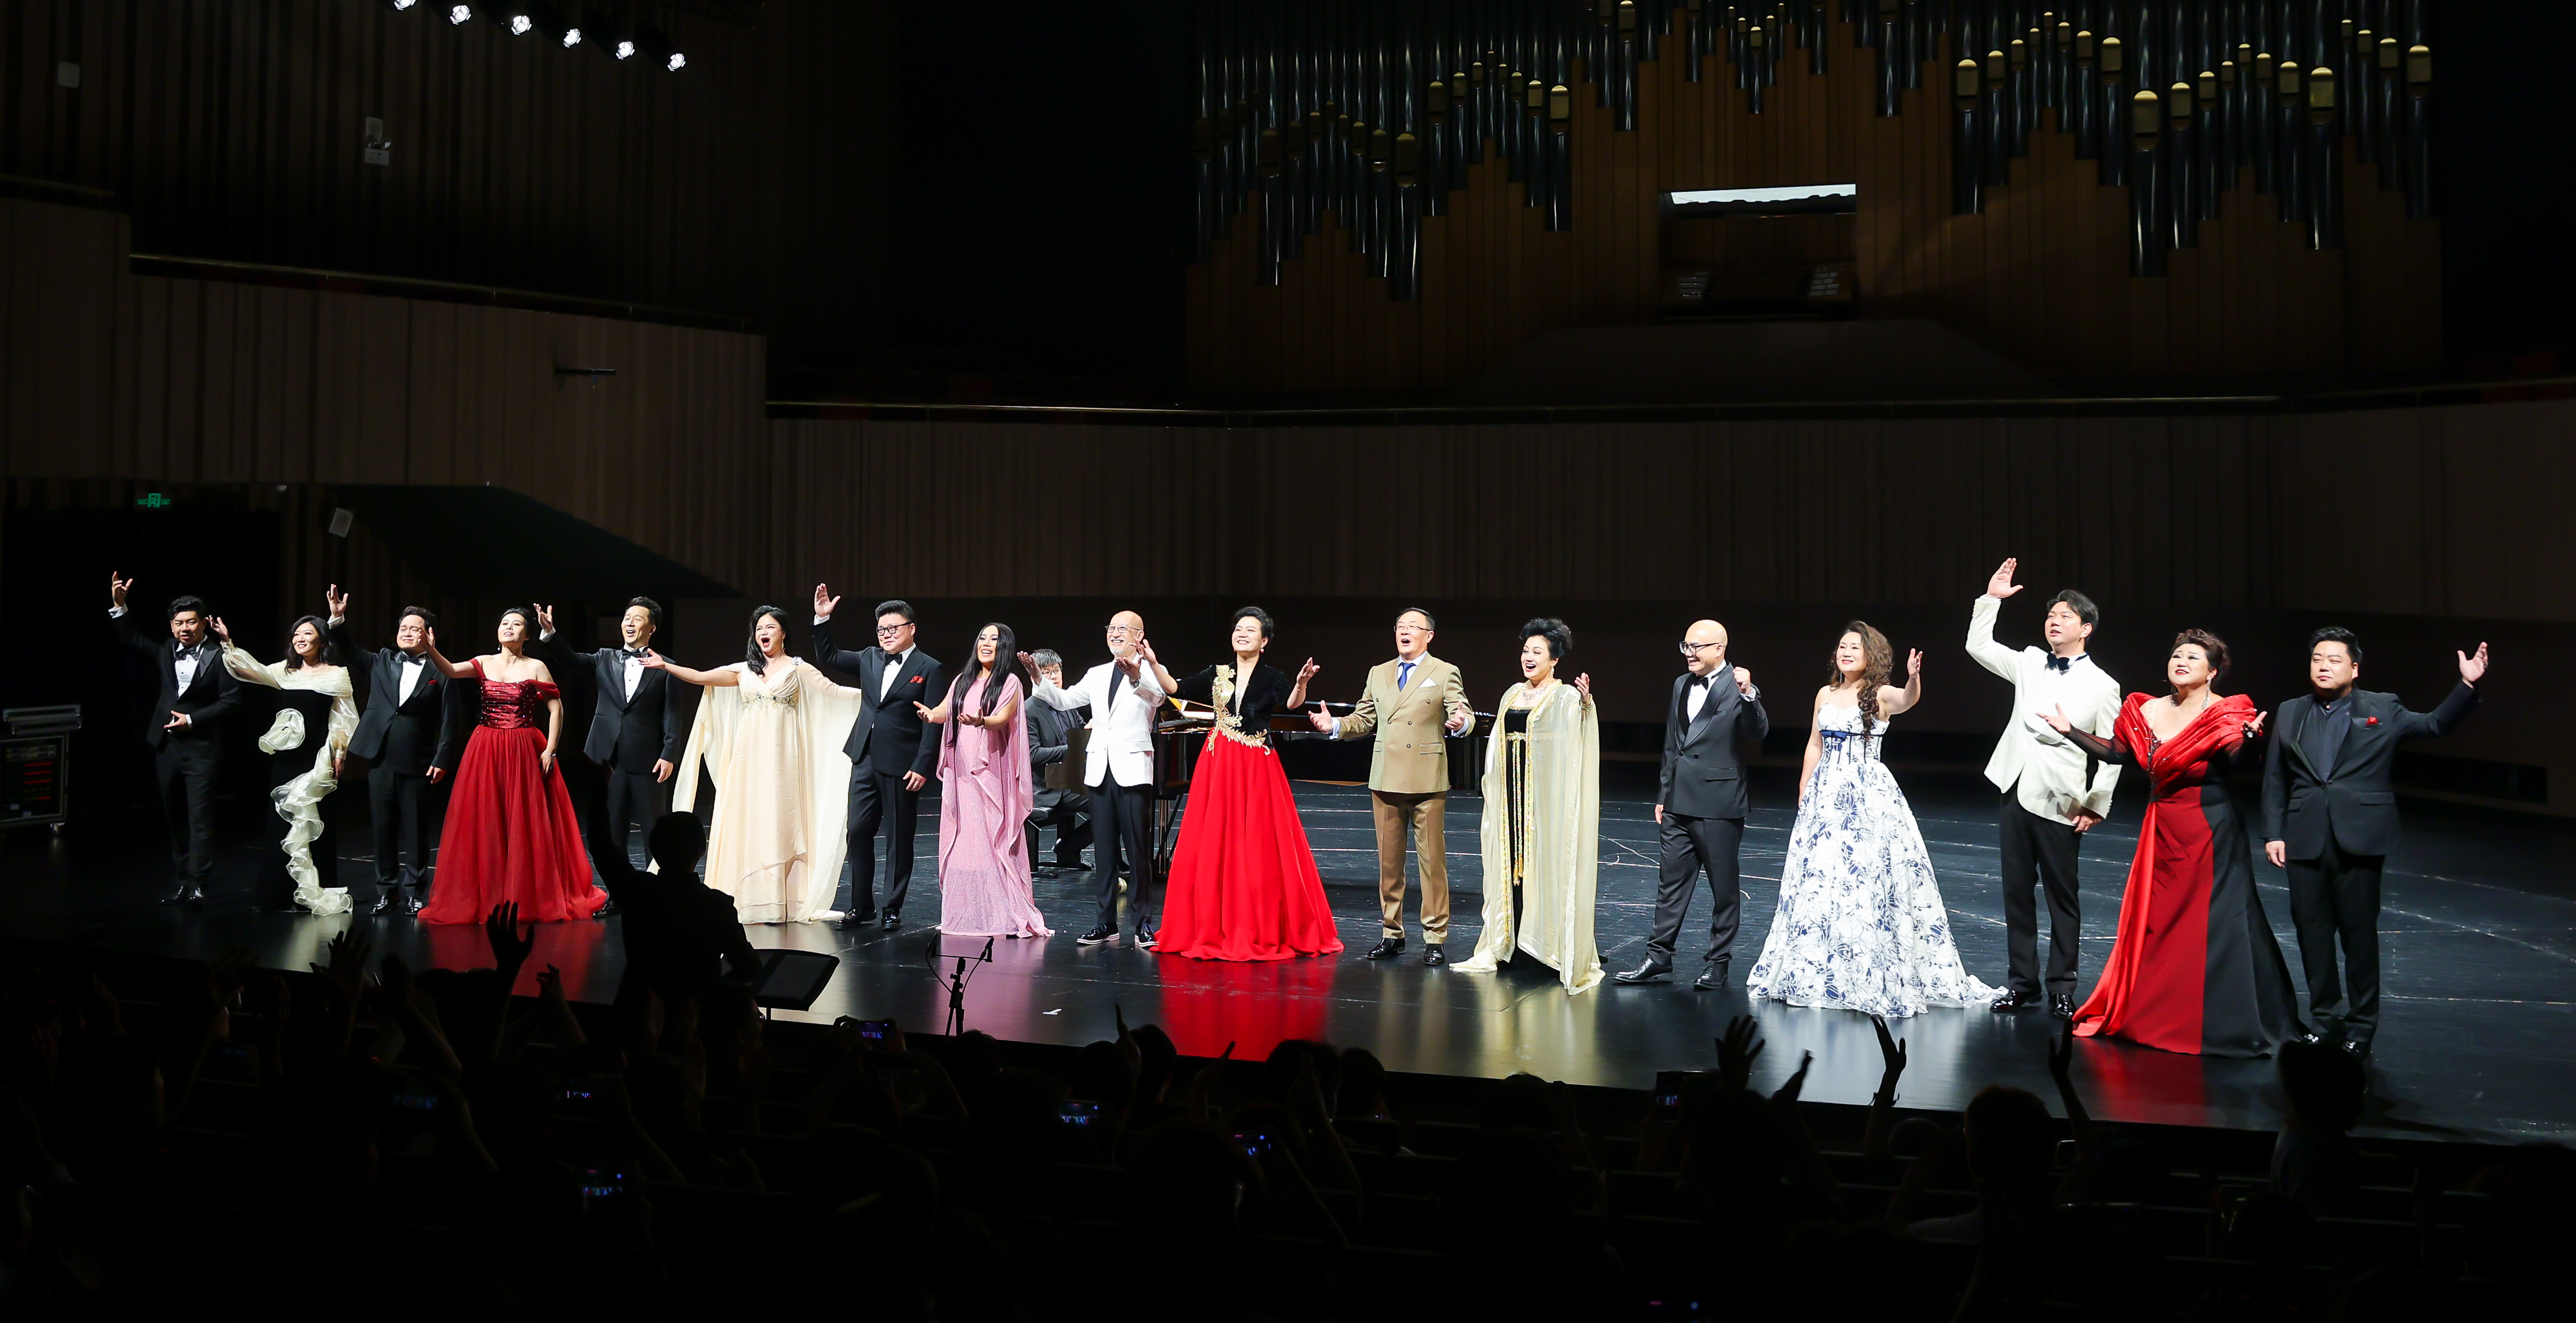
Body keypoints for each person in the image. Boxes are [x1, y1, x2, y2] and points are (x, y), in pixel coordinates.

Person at [2037, 630, 2302, 1056]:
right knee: (2157, 922)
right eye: (2177, 655)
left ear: (2211, 672)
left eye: (2193, 658)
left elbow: (2238, 756)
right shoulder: (2144, 708)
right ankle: (2155, 1009)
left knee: (2216, 923)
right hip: (2161, 827)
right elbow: (2117, 752)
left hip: (2210, 828)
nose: (2181, 661)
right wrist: (2070, 731)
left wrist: (2252, 741)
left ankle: (2224, 1018)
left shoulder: (2226, 711)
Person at [1747, 623, 1994, 1016]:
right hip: (1825, 794)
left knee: (1864, 876)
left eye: (1855, 648)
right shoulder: (1825, 694)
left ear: (1870, 656)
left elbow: (1907, 700)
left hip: (1866, 795)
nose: (1846, 652)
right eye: (1842, 646)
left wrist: (1914, 679)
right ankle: (1816, 967)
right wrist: (1805, 785)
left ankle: (1863, 966)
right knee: (1822, 877)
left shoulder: (1879, 693)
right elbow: (1814, 743)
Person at [2261, 628, 2487, 1058]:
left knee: (2358, 936)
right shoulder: (2291, 711)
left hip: (2359, 838)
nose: (2323, 666)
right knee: (2311, 934)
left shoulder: (2382, 707)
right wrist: (2273, 832)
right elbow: (2275, 777)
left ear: (2354, 668)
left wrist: (2466, 685)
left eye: (2333, 660)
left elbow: (2434, 724)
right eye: (2316, 659)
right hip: (2304, 837)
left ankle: (2361, 1027)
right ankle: (2324, 1019)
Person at [1965, 558, 2120, 1017]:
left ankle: (2061, 986)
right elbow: (1978, 646)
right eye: (2051, 615)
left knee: (2061, 896)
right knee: (2016, 892)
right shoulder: (2031, 662)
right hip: (2014, 787)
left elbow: (2111, 749)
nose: (2054, 621)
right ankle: (2022, 983)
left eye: (2065, 616)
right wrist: (1991, 599)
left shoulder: (2103, 685)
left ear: (2085, 628)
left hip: (2061, 799)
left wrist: (2096, 803)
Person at [1143, 607, 1341, 961]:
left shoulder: (1273, 677)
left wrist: (1302, 684)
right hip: (1219, 761)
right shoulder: (1217, 672)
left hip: (1255, 764)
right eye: (1238, 628)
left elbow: (1291, 704)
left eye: (1251, 630)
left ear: (1264, 641)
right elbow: (1177, 688)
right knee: (1214, 834)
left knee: (1258, 838)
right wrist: (1155, 665)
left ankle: (1255, 922)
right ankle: (1210, 923)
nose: (1242, 633)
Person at [658, 606, 870, 924]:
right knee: (750, 817)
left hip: (784, 758)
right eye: (759, 629)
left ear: (783, 633)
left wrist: (880, 697)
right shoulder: (743, 671)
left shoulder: (798, 668)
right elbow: (701, 677)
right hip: (749, 759)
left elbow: (834, 692)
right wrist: (666, 666)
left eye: (770, 627)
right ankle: (749, 897)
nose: (763, 633)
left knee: (781, 817)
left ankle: (784, 899)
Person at [414, 607, 602, 923]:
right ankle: (490, 892)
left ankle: (526, 894)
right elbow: (451, 671)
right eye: (504, 623)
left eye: (516, 624)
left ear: (527, 635)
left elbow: (556, 708)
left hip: (524, 747)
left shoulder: (536, 666)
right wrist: (431, 649)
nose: (509, 628)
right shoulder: (483, 662)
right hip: (486, 747)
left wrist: (551, 750)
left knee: (524, 819)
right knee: (489, 816)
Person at [1310, 608, 1475, 966]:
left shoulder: (1444, 671)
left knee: (1432, 863)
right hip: (1386, 778)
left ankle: (1435, 937)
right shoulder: (1379, 672)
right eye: (1400, 626)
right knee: (1389, 863)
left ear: (1428, 636)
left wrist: (1461, 722)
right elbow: (1364, 718)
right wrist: (1334, 725)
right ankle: (1392, 932)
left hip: (1426, 778)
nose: (1405, 632)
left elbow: (1462, 710)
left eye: (1413, 627)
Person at [1455, 619, 1601, 994]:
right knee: (1509, 867)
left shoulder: (1565, 696)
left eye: (1537, 652)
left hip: (1543, 801)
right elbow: (1497, 739)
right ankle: (1509, 942)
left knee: (1544, 863)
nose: (1528, 657)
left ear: (1554, 659)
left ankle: (1545, 947)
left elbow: (1576, 740)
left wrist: (1586, 705)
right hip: (1510, 799)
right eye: (1525, 651)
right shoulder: (1512, 693)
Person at [1620, 619, 1767, 988]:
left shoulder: (1738, 684)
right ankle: (1658, 956)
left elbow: (1757, 732)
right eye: (1685, 646)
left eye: (1696, 647)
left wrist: (1749, 694)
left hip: (1719, 802)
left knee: (1723, 889)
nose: (1689, 653)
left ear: (1719, 648)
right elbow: (1673, 743)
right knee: (1670, 885)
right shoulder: (1681, 684)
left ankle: (1718, 962)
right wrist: (1663, 794)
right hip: (1678, 800)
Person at [536, 598, 686, 915]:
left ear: (652, 629)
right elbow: (571, 661)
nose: (629, 623)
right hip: (606, 761)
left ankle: (660, 896)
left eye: (637, 619)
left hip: (648, 759)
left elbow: (673, 715)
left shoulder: (664, 666)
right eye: (627, 618)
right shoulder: (605, 658)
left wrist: (669, 753)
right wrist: (550, 634)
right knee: (611, 832)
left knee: (654, 831)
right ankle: (618, 895)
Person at [1025, 611, 1165, 946]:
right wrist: (1038, 679)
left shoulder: (1150, 670)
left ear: (1138, 635)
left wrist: (1136, 677)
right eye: (1111, 628)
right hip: (1100, 769)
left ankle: (1143, 923)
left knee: (1137, 850)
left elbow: (1158, 698)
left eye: (1123, 629)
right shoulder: (1097, 673)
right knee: (1104, 850)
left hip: (1132, 769)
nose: (1115, 634)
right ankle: (1106, 923)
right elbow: (1064, 700)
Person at [811, 589, 946, 932]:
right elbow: (828, 655)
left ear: (911, 629)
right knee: (857, 831)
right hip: (865, 757)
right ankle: (861, 906)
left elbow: (932, 721)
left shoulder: (929, 668)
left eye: (893, 628)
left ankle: (891, 907)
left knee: (899, 838)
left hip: (903, 763)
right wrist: (823, 619)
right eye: (881, 629)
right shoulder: (869, 657)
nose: (886, 635)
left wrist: (923, 765)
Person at [108, 572, 243, 905]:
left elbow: (231, 701)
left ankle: (199, 883)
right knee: (175, 818)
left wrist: (192, 719)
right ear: (171, 626)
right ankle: (183, 880)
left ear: (204, 624)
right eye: (179, 623)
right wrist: (120, 606)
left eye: (191, 622)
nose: (185, 628)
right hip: (166, 747)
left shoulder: (220, 656)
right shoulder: (167, 650)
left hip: (201, 750)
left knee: (200, 820)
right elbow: (132, 638)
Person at [210, 611, 357, 916]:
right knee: (282, 821)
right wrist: (227, 643)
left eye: (307, 634)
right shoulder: (285, 671)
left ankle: (311, 893)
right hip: (288, 757)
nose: (300, 639)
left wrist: (339, 753)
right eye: (296, 634)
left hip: (317, 758)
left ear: (321, 640)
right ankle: (277, 894)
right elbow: (250, 670)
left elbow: (343, 717)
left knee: (315, 822)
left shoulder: (336, 674)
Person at [325, 588, 460, 915]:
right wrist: (337, 618)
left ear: (430, 635)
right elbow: (347, 649)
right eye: (403, 628)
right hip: (381, 755)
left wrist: (442, 759)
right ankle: (386, 891)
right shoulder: (381, 660)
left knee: (416, 829)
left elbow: (451, 721)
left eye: (415, 629)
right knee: (382, 828)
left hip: (418, 759)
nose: (407, 633)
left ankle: (415, 892)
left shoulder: (442, 671)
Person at [915, 623, 1050, 939]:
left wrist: (981, 721)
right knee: (966, 838)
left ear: (1004, 647)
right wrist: (930, 716)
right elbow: (944, 711)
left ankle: (1001, 913)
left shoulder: (1010, 682)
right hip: (962, 770)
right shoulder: (962, 680)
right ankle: (968, 912)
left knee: (992, 837)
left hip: (991, 770)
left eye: (994, 639)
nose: (986, 643)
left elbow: (1002, 719)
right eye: (983, 638)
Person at [587, 809, 762, 1008]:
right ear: (701, 851)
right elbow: (748, 966)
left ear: (654, 849)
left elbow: (600, 844)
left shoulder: (636, 891)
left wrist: (600, 791)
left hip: (639, 1010)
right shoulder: (716, 906)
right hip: (696, 1014)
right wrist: (710, 991)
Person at [1023, 649, 1092, 872]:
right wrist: (1072, 748)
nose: (1053, 677)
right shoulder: (1029, 710)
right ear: (1035, 677)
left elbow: (1081, 732)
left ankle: (1069, 847)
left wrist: (1090, 730)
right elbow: (1032, 755)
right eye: (1046, 673)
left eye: (1056, 671)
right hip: (1049, 787)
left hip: (1072, 781)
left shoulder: (1067, 704)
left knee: (1114, 799)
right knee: (1107, 804)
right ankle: (1070, 847)